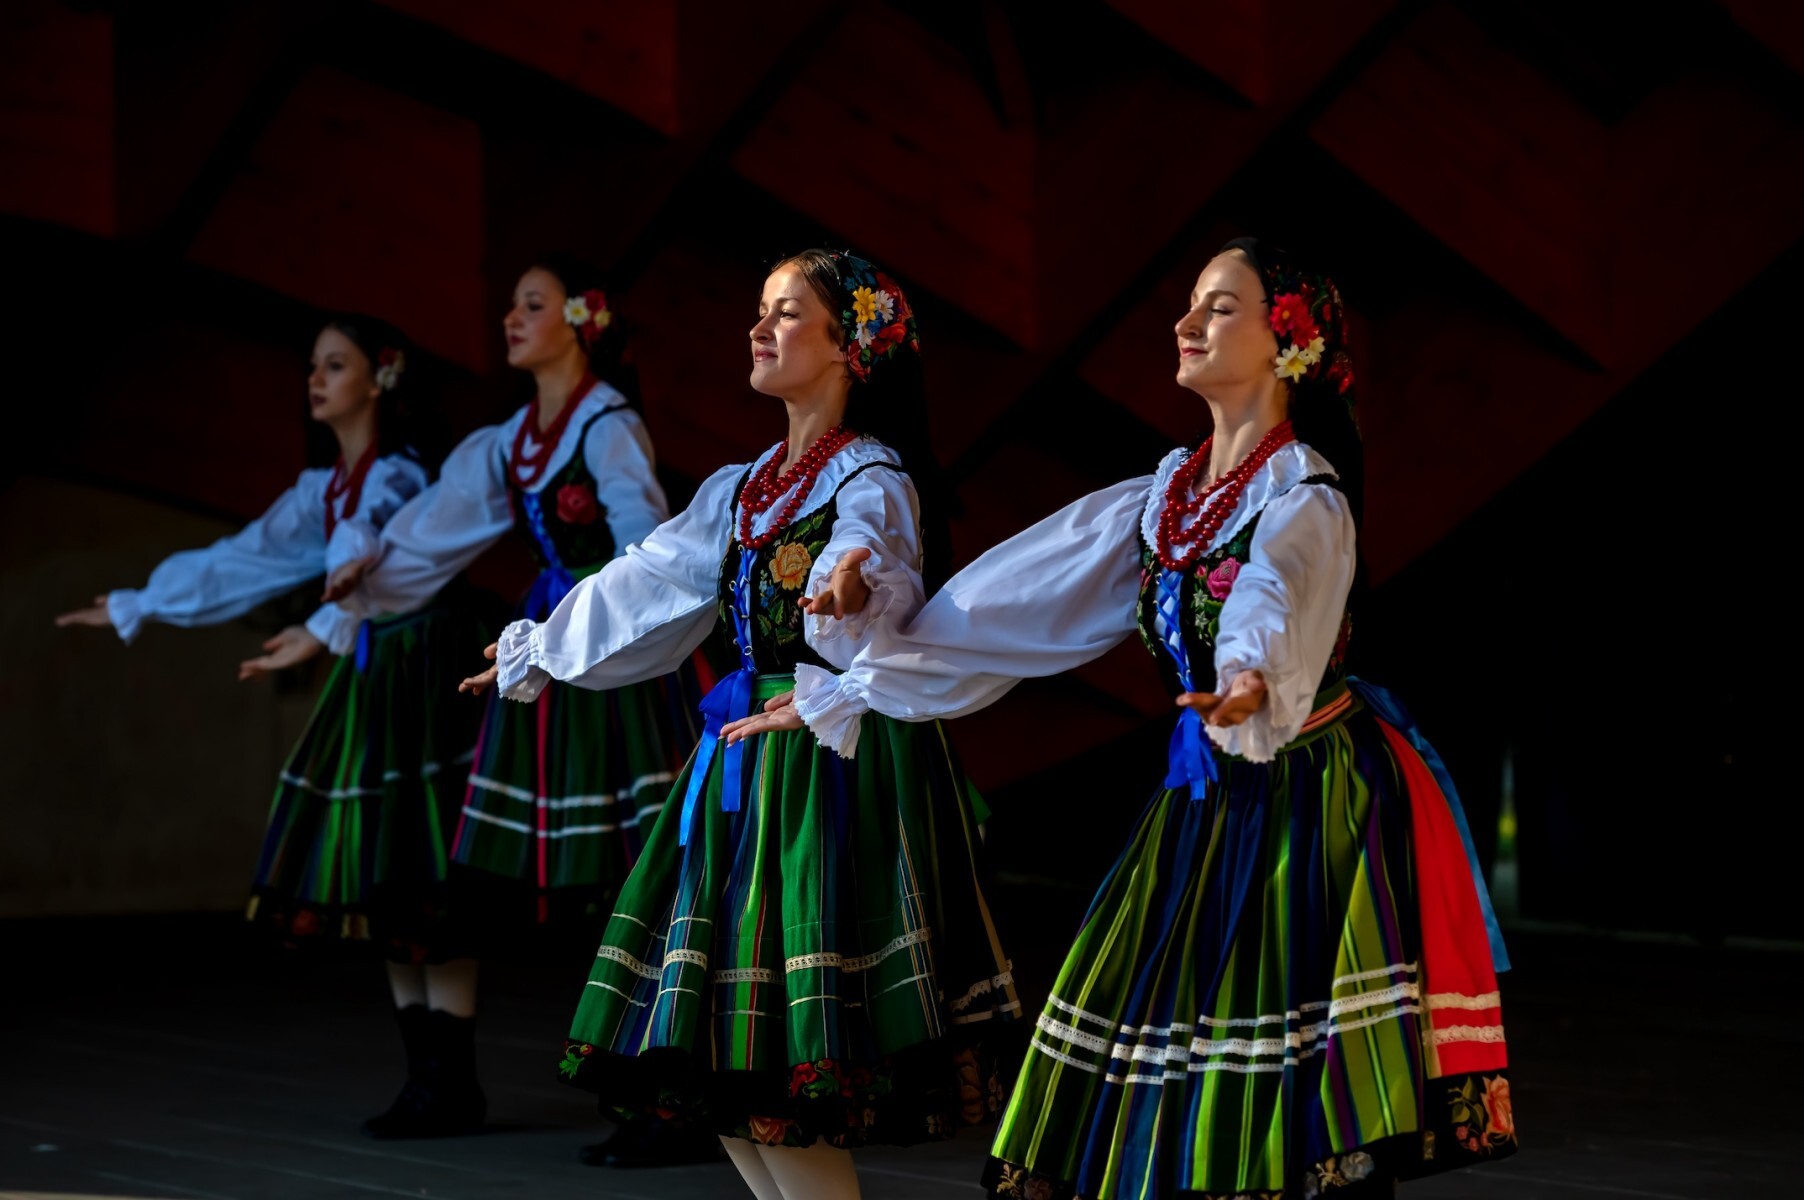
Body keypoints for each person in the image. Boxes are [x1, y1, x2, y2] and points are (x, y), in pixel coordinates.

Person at [748, 239, 1516, 1199]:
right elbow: (1011, 604)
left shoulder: (1304, 494)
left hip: (1310, 795)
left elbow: (1274, 596)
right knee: (1162, 1047)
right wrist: (851, 686)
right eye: (1192, 303)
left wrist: (1247, 679)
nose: (1188, 324)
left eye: (1221, 308)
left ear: (1290, 345)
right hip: (1206, 796)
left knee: (1288, 1072)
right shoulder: (1165, 499)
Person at [464, 250, 1019, 1200]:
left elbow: (875, 558)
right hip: (745, 764)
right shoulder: (746, 485)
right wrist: (543, 646)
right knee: (725, 1075)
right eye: (761, 309)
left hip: (825, 767)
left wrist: (854, 583)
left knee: (780, 1072)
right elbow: (650, 578)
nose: (761, 328)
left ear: (851, 348)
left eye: (789, 313)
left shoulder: (870, 476)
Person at [57, 313, 490, 1138]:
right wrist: (139, 603)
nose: (316, 379)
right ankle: (428, 1078)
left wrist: (325, 626)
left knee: (423, 869)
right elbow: (251, 558)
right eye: (313, 366)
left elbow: (382, 569)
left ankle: (450, 1077)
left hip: (423, 674)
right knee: (384, 870)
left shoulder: (398, 478)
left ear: (380, 380)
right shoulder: (324, 488)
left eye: (336, 364)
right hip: (377, 672)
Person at [316, 258, 700, 1142]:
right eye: (512, 304)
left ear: (581, 320)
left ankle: (667, 1091)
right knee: (587, 877)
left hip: (613, 657)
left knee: (631, 870)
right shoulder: (514, 438)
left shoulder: (607, 424)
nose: (511, 318)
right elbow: (437, 524)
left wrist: (598, 622)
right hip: (550, 655)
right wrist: (358, 576)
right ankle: (638, 1086)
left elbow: (651, 549)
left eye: (533, 304)